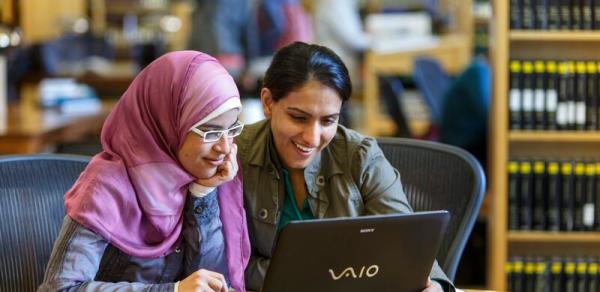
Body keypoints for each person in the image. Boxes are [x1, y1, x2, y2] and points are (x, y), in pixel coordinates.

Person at [236, 42, 454, 292]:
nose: (313, 137)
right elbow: (225, 261)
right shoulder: (235, 155)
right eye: (299, 117)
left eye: (328, 120)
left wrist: (434, 285)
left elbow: (407, 243)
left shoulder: (361, 156)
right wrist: (321, 279)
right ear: (267, 102)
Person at [38, 51, 250, 291]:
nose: (224, 147)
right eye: (210, 132)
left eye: (232, 129)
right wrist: (172, 290)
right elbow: (59, 288)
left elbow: (215, 281)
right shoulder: (105, 186)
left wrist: (203, 193)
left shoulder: (202, 176)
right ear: (169, 123)